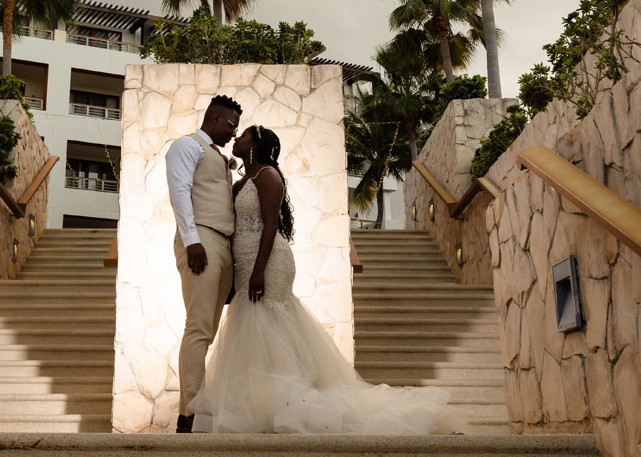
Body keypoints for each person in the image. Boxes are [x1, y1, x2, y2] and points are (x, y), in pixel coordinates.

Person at [190, 124, 453, 434]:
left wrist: (259, 270)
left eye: (244, 135)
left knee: (268, 319)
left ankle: (286, 400)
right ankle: (261, 404)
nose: (237, 138)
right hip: (245, 262)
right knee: (251, 323)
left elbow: (271, 224)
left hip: (269, 261)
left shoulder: (267, 175)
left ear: (255, 145)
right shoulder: (242, 181)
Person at [165, 94, 242, 434]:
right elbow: (179, 191)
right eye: (231, 125)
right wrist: (192, 240)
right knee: (197, 327)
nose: (233, 132)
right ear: (214, 118)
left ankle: (195, 410)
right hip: (202, 240)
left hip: (223, 245)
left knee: (207, 331)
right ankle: (189, 414)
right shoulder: (187, 145)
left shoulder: (218, 156)